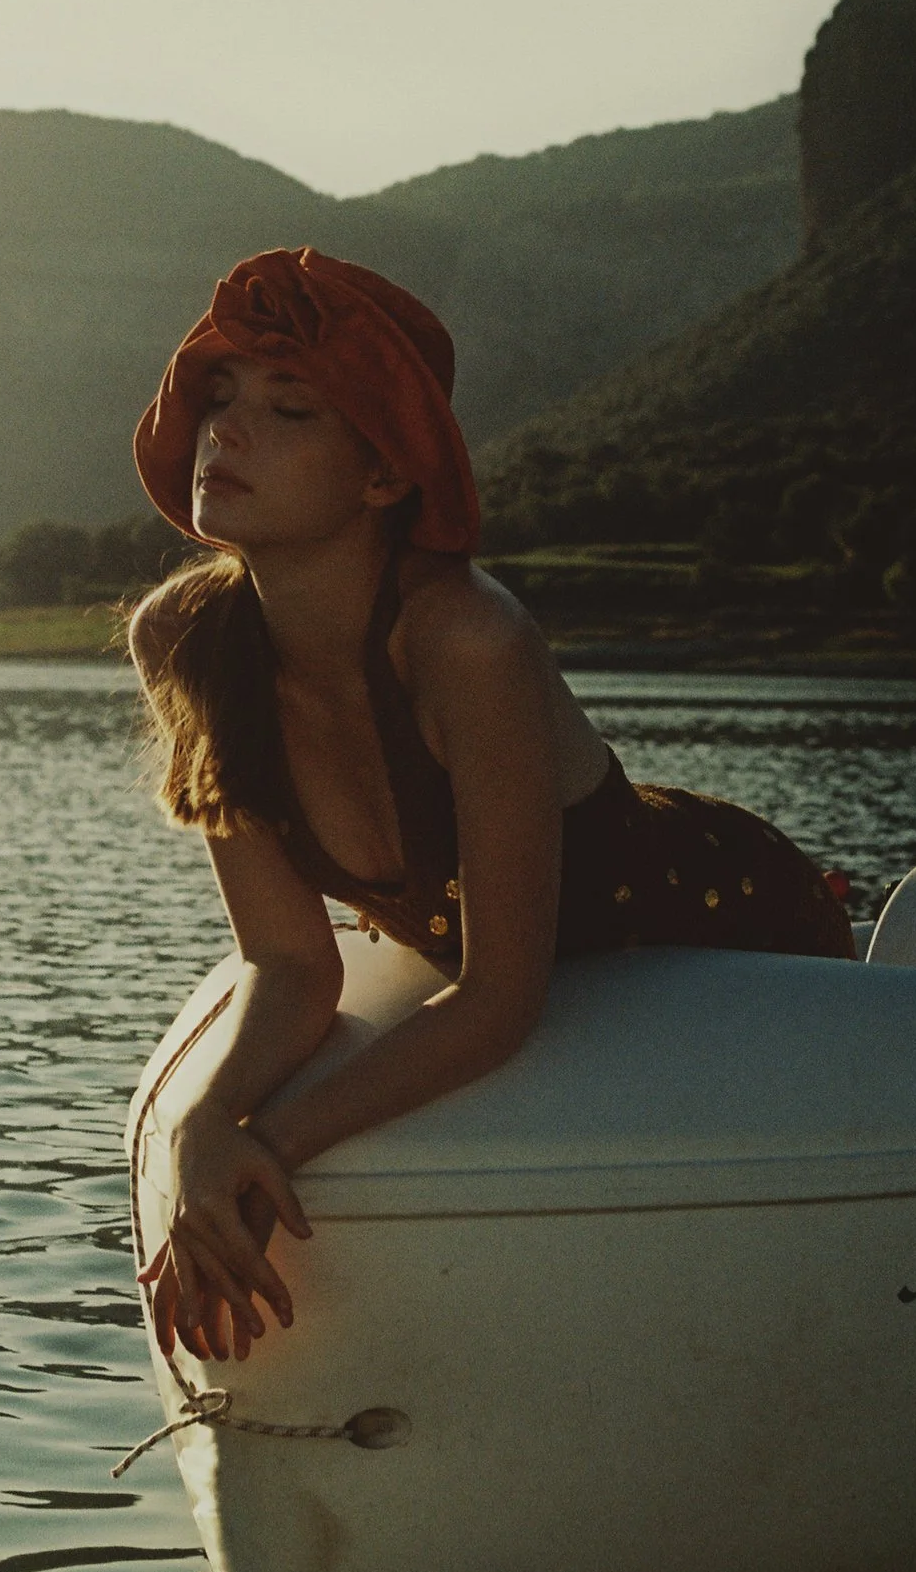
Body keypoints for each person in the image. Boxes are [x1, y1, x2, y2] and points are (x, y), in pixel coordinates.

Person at [122, 248, 856, 1367]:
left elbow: (500, 998)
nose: (226, 430)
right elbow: (288, 962)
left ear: (382, 476)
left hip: (727, 920)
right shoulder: (184, 641)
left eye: (289, 408)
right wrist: (200, 1128)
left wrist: (272, 1142)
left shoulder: (468, 640)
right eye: (218, 397)